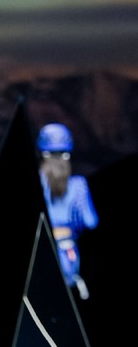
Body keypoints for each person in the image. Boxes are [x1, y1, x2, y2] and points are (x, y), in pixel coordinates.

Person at [37, 122, 98, 300]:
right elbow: (90, 221)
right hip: (66, 252)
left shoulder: (36, 182)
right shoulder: (77, 186)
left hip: (44, 254)